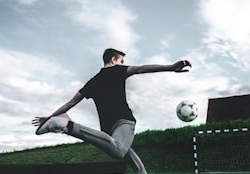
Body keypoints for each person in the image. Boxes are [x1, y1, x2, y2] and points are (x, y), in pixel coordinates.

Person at [32, 48, 192, 174]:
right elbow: (142, 68)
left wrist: (50, 117)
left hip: (109, 131)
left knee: (138, 169)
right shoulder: (118, 70)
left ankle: (62, 122)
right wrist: (170, 67)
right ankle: (68, 126)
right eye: (121, 60)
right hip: (124, 122)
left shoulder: (92, 82)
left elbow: (70, 103)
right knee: (119, 150)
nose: (123, 64)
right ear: (114, 60)